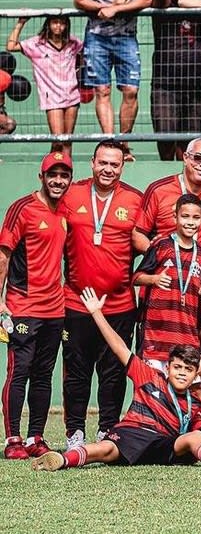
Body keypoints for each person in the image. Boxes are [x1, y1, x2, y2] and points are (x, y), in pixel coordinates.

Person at [31, 288, 201, 471]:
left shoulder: (193, 402)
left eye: (188, 369)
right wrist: (97, 313)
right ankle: (61, 460)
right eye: (177, 367)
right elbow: (119, 347)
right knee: (104, 450)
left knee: (193, 437)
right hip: (133, 433)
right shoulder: (148, 376)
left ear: (194, 374)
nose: (182, 373)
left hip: (163, 443)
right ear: (168, 369)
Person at [58, 140, 143, 448]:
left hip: (119, 303)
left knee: (114, 371)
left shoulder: (135, 199)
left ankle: (108, 429)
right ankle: (74, 432)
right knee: (76, 370)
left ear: (123, 166)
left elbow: (146, 243)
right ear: (92, 163)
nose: (108, 169)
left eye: (115, 164)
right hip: (77, 301)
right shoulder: (71, 195)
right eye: (103, 163)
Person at [0, 152, 72, 459]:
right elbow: (3, 256)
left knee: (44, 375)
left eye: (64, 175)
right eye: (52, 175)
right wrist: (0, 302)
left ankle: (35, 437)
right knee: (19, 372)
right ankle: (13, 439)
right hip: (22, 306)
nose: (58, 180)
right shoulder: (22, 208)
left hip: (55, 310)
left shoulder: (65, 211)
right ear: (41, 177)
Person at [73, 0, 152, 136]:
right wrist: (104, 8)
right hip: (98, 37)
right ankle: (110, 140)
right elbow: (79, 0)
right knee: (102, 90)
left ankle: (124, 142)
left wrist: (116, 8)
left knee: (131, 90)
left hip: (126, 37)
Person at [133, 193, 201, 368]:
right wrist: (154, 279)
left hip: (186, 335)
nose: (190, 222)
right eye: (185, 216)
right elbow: (136, 278)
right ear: (175, 217)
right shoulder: (161, 245)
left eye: (196, 217)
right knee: (152, 391)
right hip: (156, 336)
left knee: (186, 392)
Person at [149, 0, 201, 161]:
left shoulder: (200, 6)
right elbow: (161, 0)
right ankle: (166, 172)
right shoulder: (163, 6)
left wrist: (193, 3)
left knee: (191, 141)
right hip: (166, 86)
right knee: (166, 136)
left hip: (196, 87)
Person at [133, 136, 201, 258]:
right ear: (185, 158)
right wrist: (157, 256)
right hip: (164, 274)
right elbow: (137, 235)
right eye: (198, 158)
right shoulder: (159, 190)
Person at [5, 15, 82, 152]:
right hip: (52, 98)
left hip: (72, 95)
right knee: (57, 141)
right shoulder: (37, 44)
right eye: (55, 22)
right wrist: (21, 22)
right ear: (48, 24)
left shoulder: (73, 43)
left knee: (68, 141)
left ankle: (69, 173)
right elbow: (11, 46)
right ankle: (50, 172)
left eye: (62, 23)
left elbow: (83, 55)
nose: (58, 26)